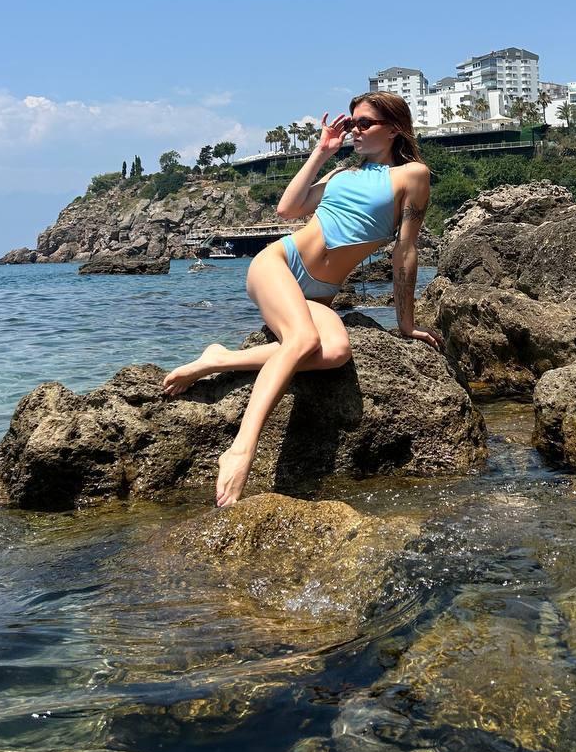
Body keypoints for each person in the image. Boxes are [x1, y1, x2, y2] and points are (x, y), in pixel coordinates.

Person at [162, 92, 443, 507]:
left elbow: (405, 249)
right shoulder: (341, 175)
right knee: (303, 341)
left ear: (395, 129)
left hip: (320, 294)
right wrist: (322, 152)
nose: (355, 131)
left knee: (335, 353)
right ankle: (241, 449)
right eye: (351, 124)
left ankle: (218, 359)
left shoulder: (412, 175)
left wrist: (406, 323)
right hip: (279, 264)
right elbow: (287, 209)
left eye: (364, 123)